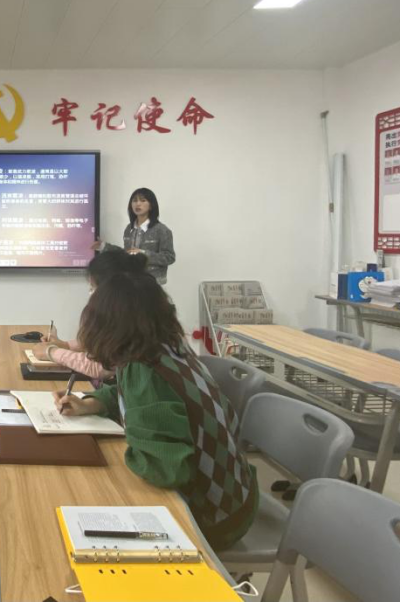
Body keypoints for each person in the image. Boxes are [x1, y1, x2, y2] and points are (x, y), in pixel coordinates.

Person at [53, 272, 258, 551]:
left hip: (212, 517)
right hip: (237, 496)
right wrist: (92, 402)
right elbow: (131, 394)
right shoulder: (167, 349)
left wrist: (113, 460)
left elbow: (165, 470)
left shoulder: (145, 370)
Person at [29, 249, 148, 381]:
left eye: (93, 287)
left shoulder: (132, 315)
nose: (91, 293)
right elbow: (104, 343)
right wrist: (66, 345)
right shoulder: (134, 304)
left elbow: (100, 367)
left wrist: (51, 352)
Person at [92, 187, 175, 285]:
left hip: (154, 283)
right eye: (134, 201)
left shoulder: (162, 230)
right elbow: (127, 253)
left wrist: (144, 254)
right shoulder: (129, 228)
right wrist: (103, 246)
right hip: (132, 282)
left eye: (143, 200)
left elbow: (169, 257)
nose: (138, 204)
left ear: (151, 205)